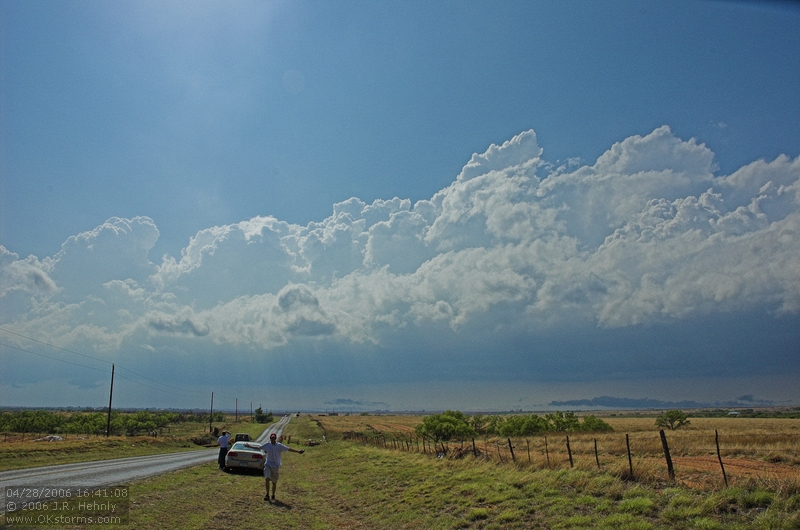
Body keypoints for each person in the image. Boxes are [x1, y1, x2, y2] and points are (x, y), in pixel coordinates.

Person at [247, 432, 304, 502]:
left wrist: (298, 451)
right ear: (270, 438)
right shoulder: (267, 445)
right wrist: (249, 446)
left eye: (274, 438)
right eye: (271, 438)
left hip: (275, 466)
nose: (273, 439)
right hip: (268, 464)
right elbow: (259, 447)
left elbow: (288, 449)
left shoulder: (279, 446)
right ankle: (267, 495)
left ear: (275, 438)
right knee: (267, 478)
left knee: (274, 482)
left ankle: (273, 494)